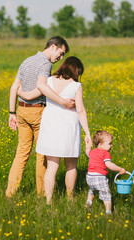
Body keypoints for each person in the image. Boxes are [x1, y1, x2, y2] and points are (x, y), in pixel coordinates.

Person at [6, 36, 74, 198]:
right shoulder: (45, 63)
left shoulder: (27, 60)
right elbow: (41, 86)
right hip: (37, 112)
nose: (61, 58)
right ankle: (42, 195)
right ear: (52, 47)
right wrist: (63, 102)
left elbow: (14, 87)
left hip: (21, 111)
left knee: (21, 153)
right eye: (61, 52)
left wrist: (12, 112)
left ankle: (10, 193)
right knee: (42, 153)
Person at [34, 56, 92, 204]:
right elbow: (80, 110)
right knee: (71, 166)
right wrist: (87, 132)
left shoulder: (48, 80)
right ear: (76, 70)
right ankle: (70, 198)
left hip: (50, 124)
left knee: (52, 167)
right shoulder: (76, 86)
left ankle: (48, 201)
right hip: (68, 126)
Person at [85, 130, 126, 214]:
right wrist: (120, 169)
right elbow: (109, 164)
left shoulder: (92, 152)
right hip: (99, 177)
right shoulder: (105, 153)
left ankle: (88, 203)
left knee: (93, 190)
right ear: (100, 144)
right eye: (109, 143)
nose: (111, 145)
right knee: (106, 195)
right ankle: (108, 213)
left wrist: (88, 146)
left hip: (89, 177)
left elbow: (87, 152)